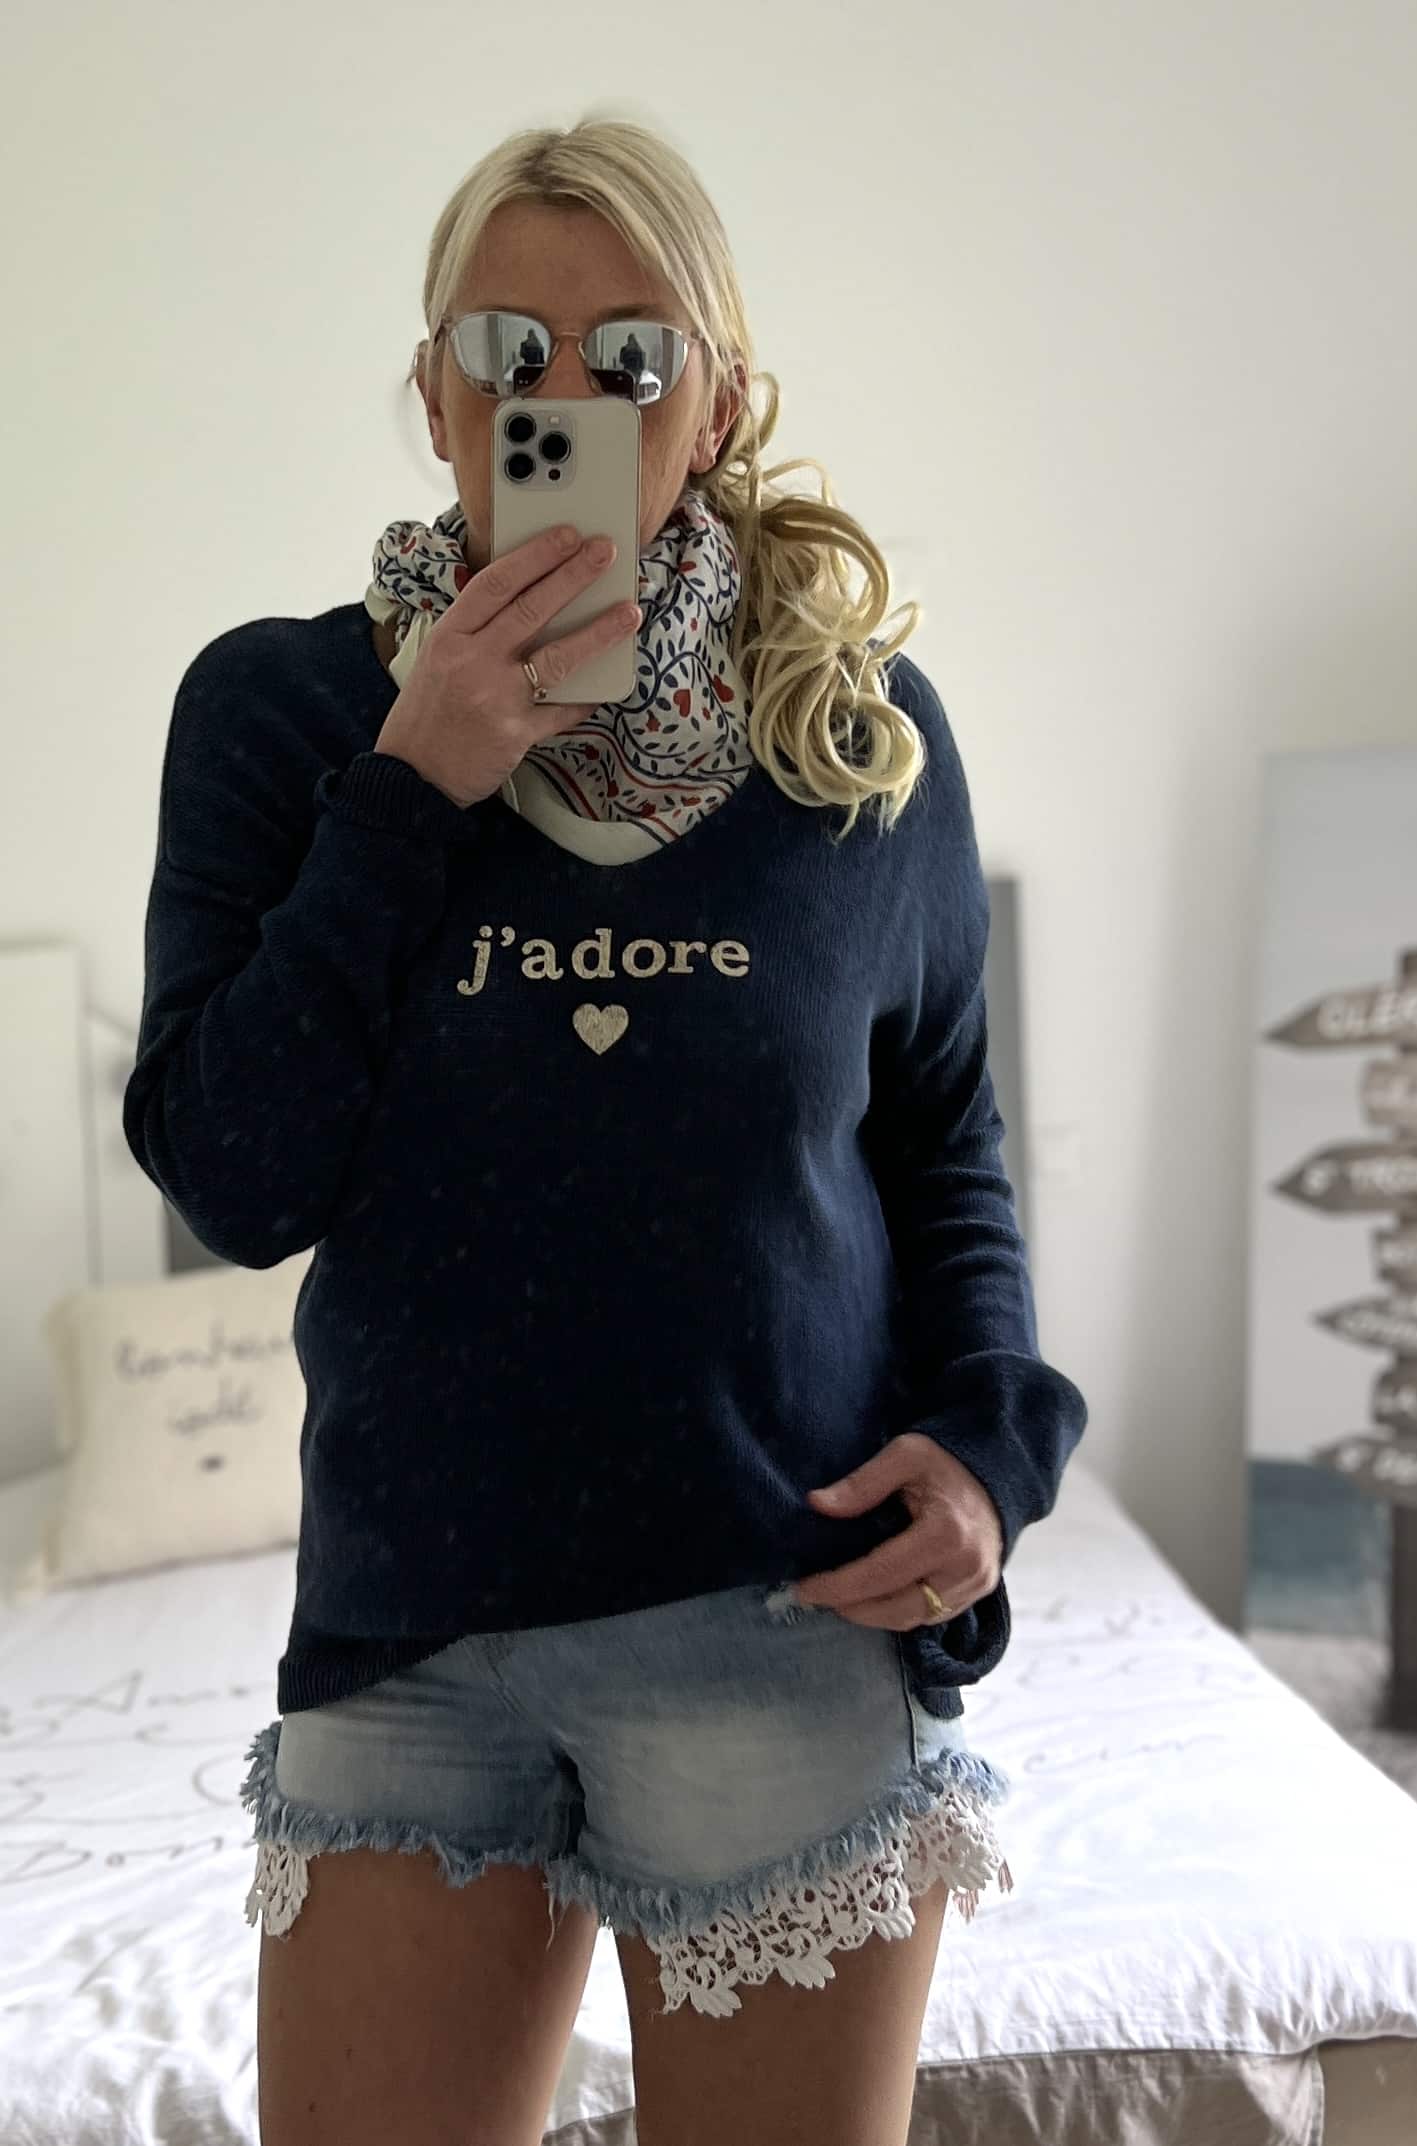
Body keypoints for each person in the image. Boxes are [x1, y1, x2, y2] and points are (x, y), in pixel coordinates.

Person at [123, 111, 1087, 2146]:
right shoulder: (283, 716)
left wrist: (995, 1447)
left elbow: (943, 1141)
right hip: (408, 1631)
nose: (559, 395)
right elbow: (233, 1176)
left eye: (631, 356)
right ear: (431, 394)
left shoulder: (858, 741)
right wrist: (413, 784)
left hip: (785, 1616)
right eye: (506, 350)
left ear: (715, 405)